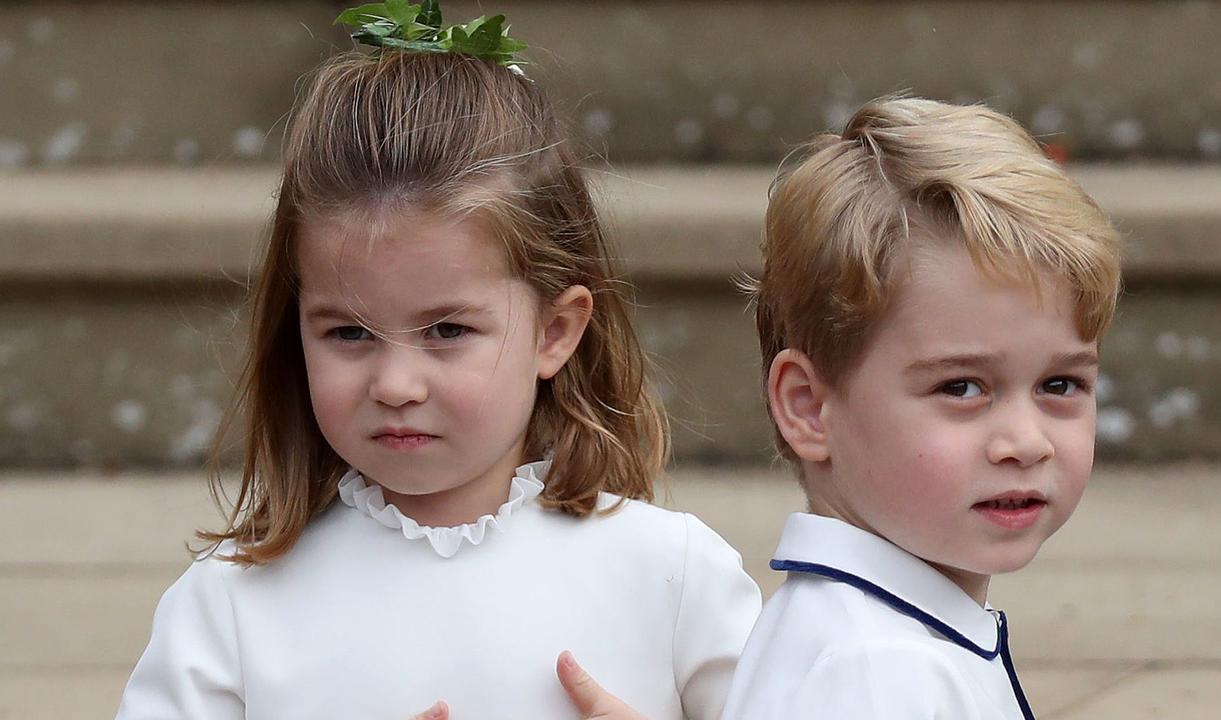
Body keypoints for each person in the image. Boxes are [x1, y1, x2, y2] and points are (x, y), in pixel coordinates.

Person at [114, 4, 760, 719]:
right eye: (348, 334)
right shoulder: (229, 608)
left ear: (555, 330)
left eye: (447, 330)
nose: (394, 384)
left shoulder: (671, 578)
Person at [717, 96, 1122, 718]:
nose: (1025, 440)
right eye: (962, 388)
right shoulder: (883, 671)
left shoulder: (873, 634)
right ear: (808, 407)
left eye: (1060, 385)